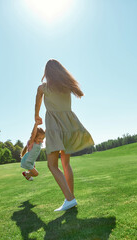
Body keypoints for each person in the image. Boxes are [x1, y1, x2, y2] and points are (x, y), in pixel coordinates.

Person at [35, 59, 94, 211]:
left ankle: (70, 198)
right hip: (69, 126)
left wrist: (37, 116)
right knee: (65, 164)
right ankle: (70, 198)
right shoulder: (66, 87)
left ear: (47, 73)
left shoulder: (43, 88)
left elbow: (37, 103)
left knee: (52, 165)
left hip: (54, 127)